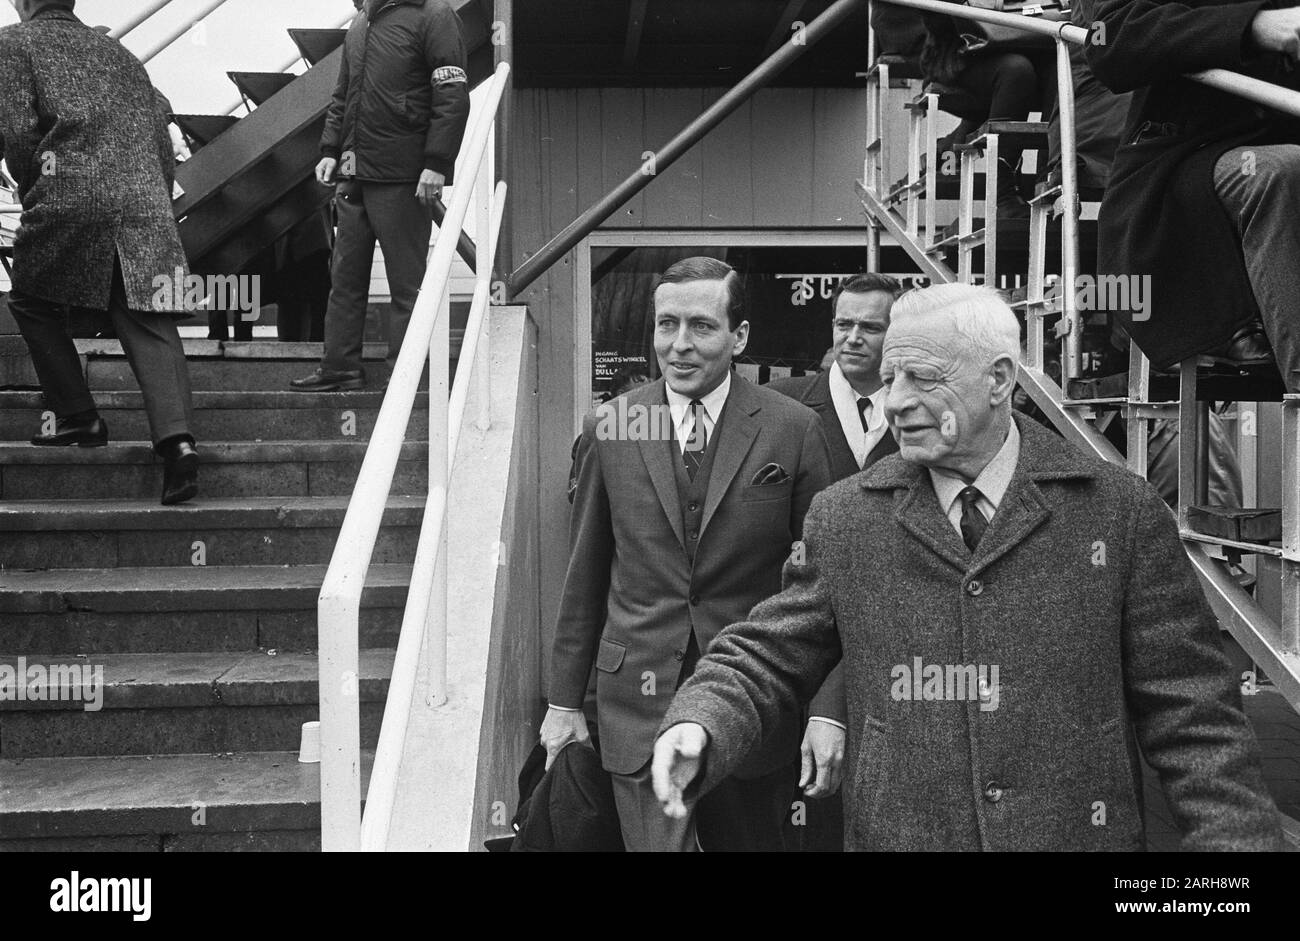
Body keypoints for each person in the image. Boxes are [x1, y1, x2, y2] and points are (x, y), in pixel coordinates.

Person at [652, 283, 1284, 851]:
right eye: (890, 376)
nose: (894, 401)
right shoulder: (848, 518)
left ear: (999, 379)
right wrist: (700, 721)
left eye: (920, 378)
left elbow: (1191, 710)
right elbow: (767, 653)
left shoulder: (1115, 512)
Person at [541, 257, 834, 851]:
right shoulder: (614, 425)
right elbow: (586, 573)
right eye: (665, 325)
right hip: (636, 704)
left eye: (701, 326)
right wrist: (563, 702)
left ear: (739, 337)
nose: (679, 345)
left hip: (754, 710)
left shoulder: (793, 428)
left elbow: (825, 591)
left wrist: (827, 709)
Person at [0, 0, 199, 505]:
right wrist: (152, 190)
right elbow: (160, 126)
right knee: (147, 316)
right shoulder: (119, 52)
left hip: (69, 195)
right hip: (144, 202)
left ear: (23, 4)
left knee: (29, 296)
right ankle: (178, 449)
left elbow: (20, 132)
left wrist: (33, 189)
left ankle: (78, 416)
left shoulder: (14, 43)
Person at [1086, 0, 1300, 390]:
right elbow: (1106, 40)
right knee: (1281, 170)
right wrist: (1254, 26)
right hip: (1183, 163)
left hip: (1272, 152)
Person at [765, 272, 902, 850]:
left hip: (899, 648)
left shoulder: (919, 411)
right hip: (805, 640)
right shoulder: (785, 407)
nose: (852, 338)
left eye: (870, 327)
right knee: (805, 815)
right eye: (843, 324)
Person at [291, 0, 470, 392]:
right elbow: (343, 96)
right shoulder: (359, 24)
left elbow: (452, 93)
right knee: (345, 278)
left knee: (407, 283)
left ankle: (405, 377)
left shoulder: (434, 15)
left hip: (403, 174)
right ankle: (340, 368)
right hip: (354, 174)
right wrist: (329, 151)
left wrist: (436, 162)